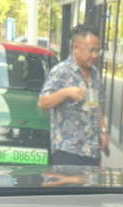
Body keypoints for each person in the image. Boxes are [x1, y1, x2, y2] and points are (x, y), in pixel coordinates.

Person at [38, 24, 108, 166]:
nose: (95, 55)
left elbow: (98, 105)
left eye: (97, 51)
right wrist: (66, 92)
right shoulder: (61, 72)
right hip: (67, 152)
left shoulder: (95, 74)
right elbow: (42, 103)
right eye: (91, 50)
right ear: (76, 47)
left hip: (92, 151)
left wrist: (103, 131)